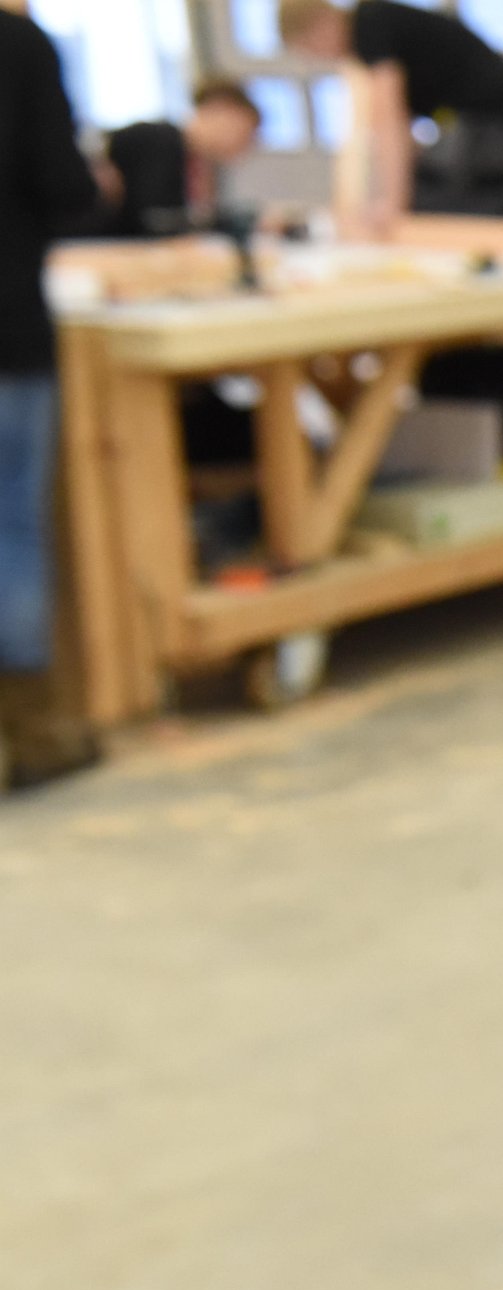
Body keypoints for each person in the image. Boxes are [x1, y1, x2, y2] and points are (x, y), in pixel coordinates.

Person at [0, 7, 102, 789]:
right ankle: (31, 731)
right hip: (8, 327)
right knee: (13, 528)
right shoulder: (16, 43)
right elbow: (63, 186)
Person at [278, 0, 503, 230]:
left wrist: (393, 205)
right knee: (428, 181)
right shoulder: (373, 27)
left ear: (320, 25)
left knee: (433, 196)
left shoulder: (369, 25)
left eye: (310, 49)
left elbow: (390, 121)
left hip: (502, 122)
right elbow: (403, 132)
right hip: (488, 121)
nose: (320, 58)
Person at [85, 80, 263, 238]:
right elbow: (155, 220)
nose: (244, 146)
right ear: (220, 111)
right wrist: (242, 221)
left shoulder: (199, 165)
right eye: (245, 133)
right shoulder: (159, 140)